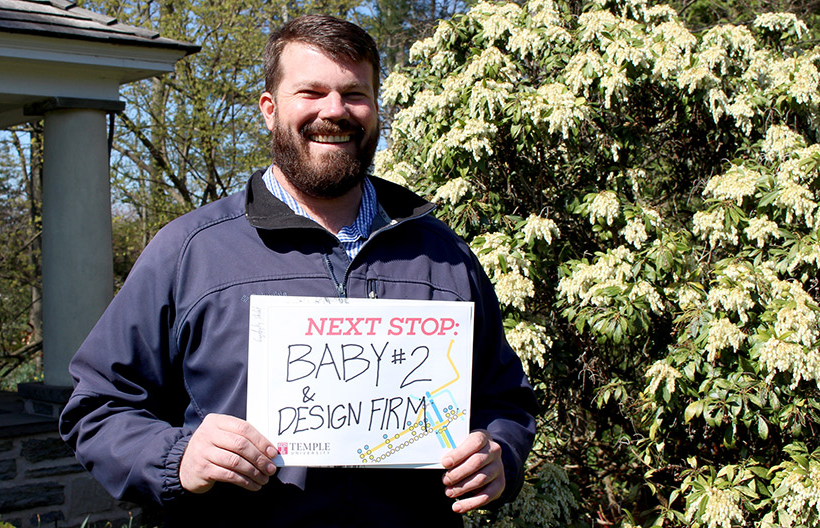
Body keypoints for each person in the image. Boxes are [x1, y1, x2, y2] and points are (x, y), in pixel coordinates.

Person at [59, 14, 538, 527]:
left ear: (376, 109)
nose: (335, 110)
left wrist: (500, 455)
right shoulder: (190, 251)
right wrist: (177, 458)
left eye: (354, 94)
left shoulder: (443, 255)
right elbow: (98, 407)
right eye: (311, 92)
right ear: (269, 110)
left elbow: (504, 398)